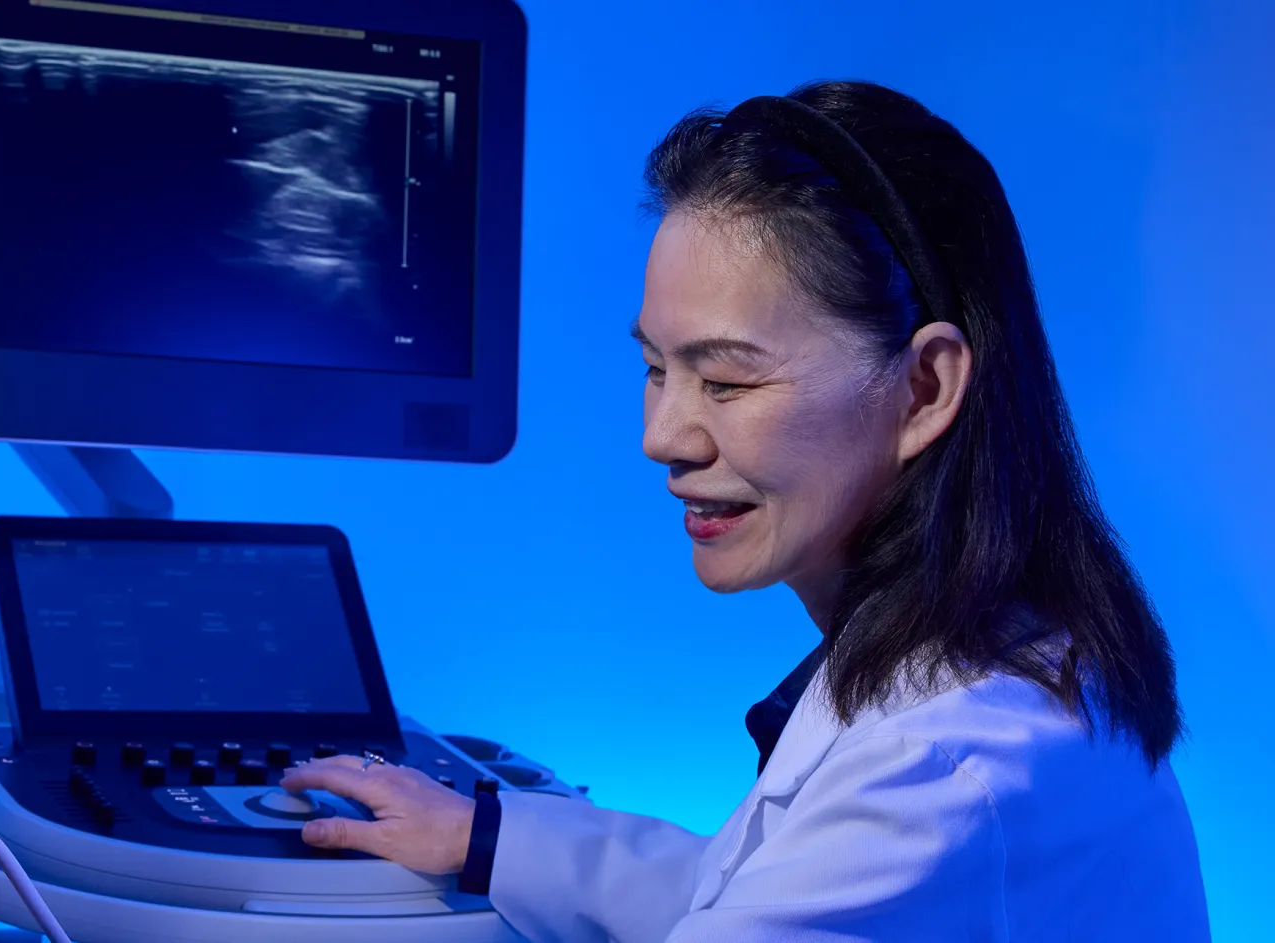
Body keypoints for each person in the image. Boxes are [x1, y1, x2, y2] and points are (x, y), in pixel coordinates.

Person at [281, 80, 1210, 941]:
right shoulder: (978, 660)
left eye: (726, 379)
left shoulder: (945, 770)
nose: (664, 436)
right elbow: (755, 885)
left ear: (924, 389)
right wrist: (486, 834)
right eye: (656, 367)